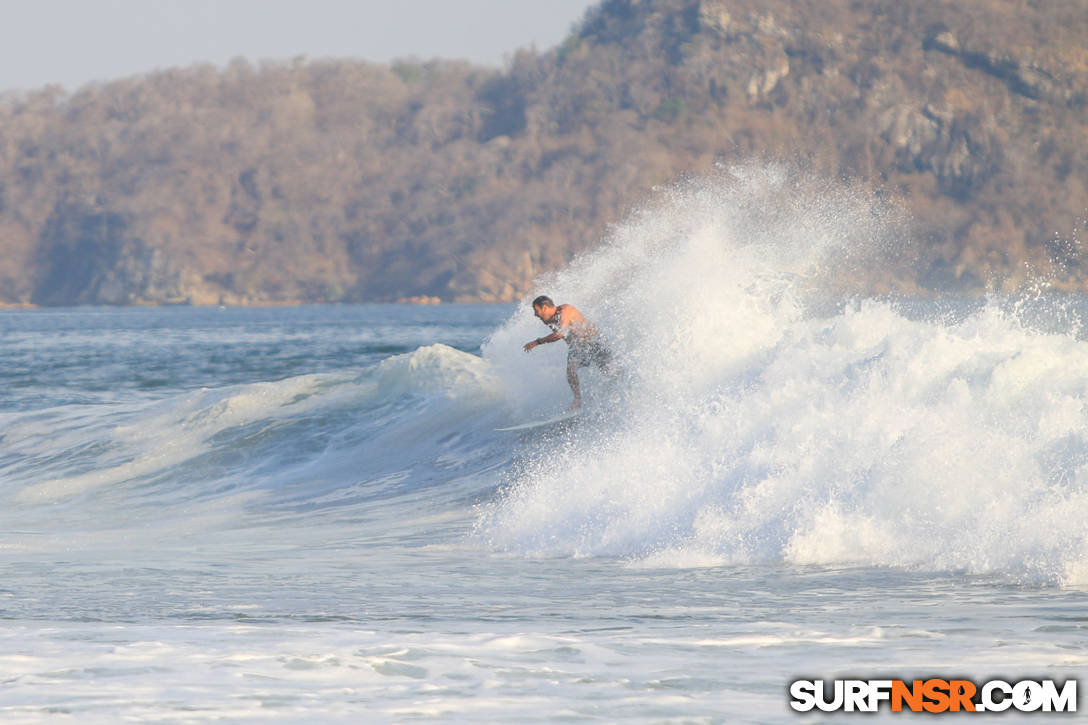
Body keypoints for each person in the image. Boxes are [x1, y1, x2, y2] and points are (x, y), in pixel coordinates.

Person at [523, 295, 611, 409]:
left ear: (545, 308)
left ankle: (615, 392)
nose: (535, 315)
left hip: (595, 342)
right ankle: (577, 401)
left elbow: (560, 334)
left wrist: (537, 342)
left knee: (608, 371)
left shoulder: (565, 310)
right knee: (571, 370)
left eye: (536, 311)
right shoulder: (549, 320)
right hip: (578, 347)